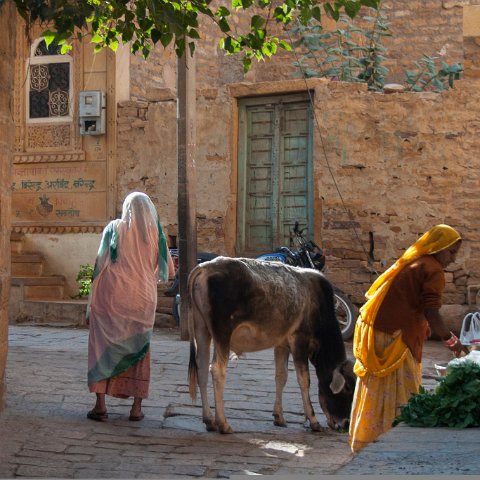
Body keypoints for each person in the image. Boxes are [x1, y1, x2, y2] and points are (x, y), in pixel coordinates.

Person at [348, 224, 464, 452]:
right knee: (403, 389)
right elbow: (432, 311)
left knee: (378, 387)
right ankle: (396, 444)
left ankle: (369, 439)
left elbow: (413, 304)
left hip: (383, 330)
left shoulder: (415, 263)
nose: (452, 259)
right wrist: (451, 341)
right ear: (439, 247)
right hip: (396, 336)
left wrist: (423, 326)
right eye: (451, 252)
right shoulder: (433, 269)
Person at [86, 192, 175, 422]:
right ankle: (136, 409)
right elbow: (167, 271)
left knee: (102, 348)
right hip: (142, 299)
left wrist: (91, 297)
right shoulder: (156, 234)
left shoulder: (114, 229)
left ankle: (100, 405)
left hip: (111, 298)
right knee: (139, 350)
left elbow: (100, 263)